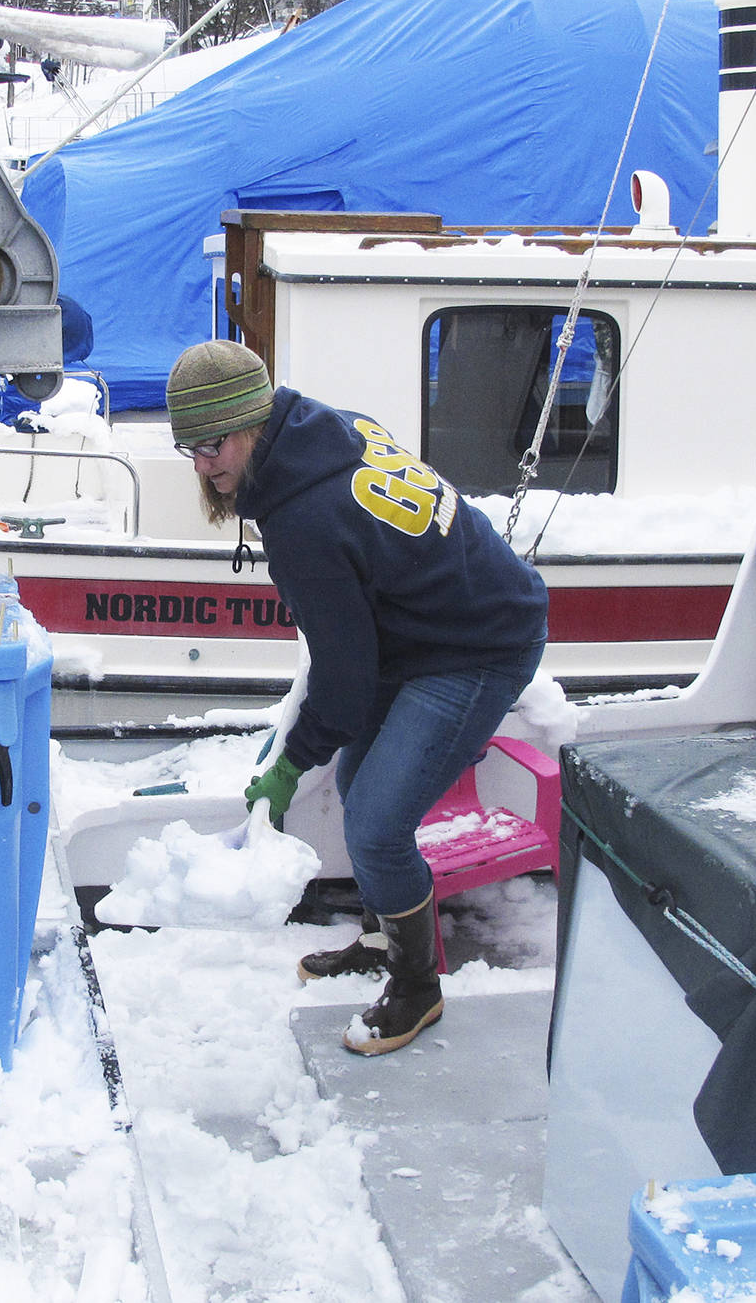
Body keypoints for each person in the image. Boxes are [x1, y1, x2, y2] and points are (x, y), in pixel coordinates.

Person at [166, 340, 549, 1055]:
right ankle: (380, 939)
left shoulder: (303, 523)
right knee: (352, 780)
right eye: (187, 445)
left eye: (211, 443)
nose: (202, 463)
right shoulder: (327, 427)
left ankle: (416, 989)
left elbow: (342, 683)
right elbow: (356, 645)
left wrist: (287, 767)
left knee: (374, 821)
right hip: (430, 628)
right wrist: (311, 750)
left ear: (252, 422)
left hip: (479, 644)